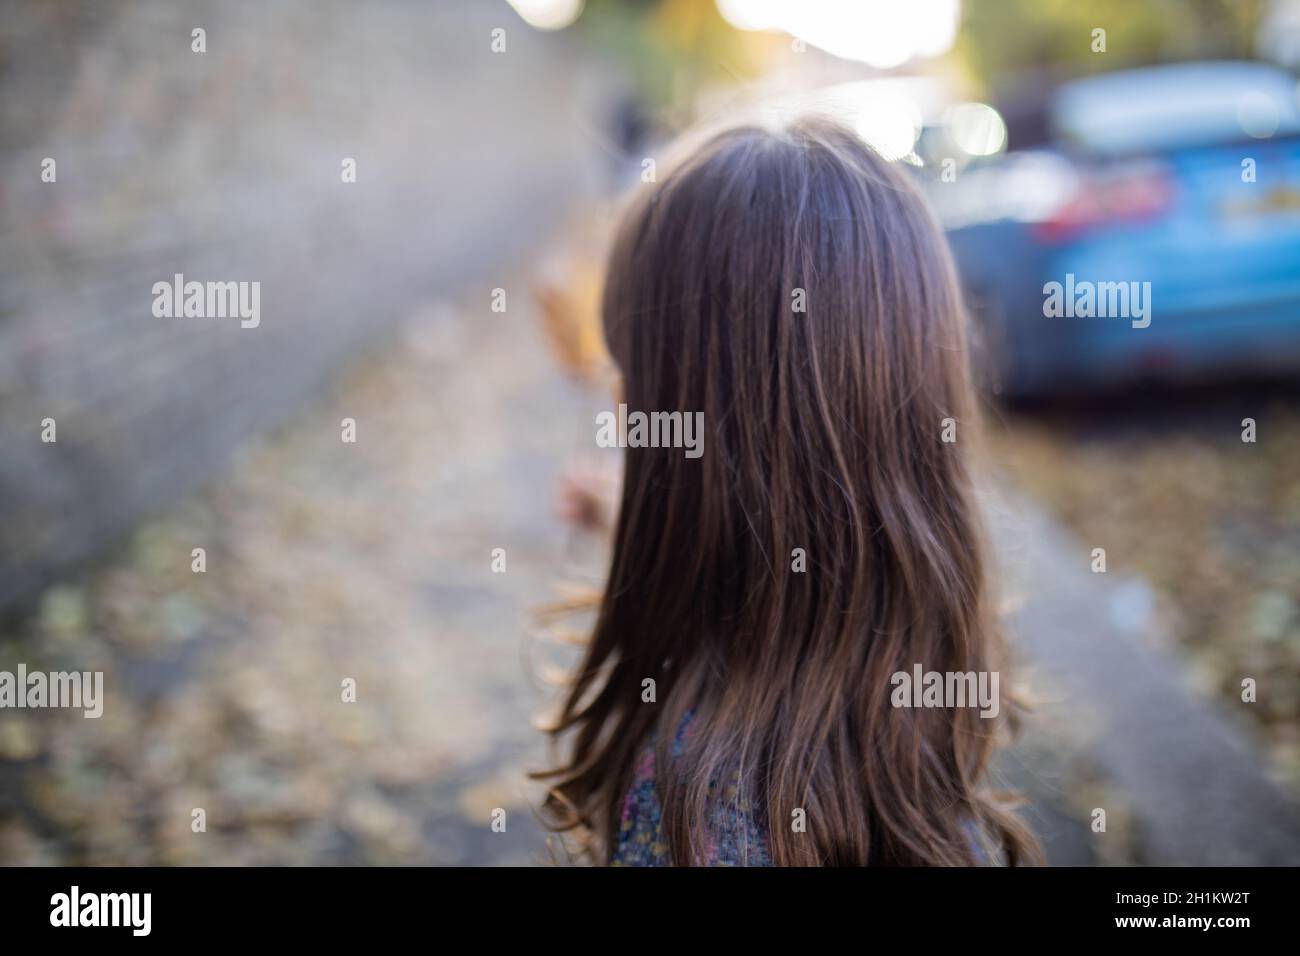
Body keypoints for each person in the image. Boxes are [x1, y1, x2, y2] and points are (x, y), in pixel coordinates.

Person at [535, 116, 1039, 866]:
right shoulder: (909, 698)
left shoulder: (685, 815)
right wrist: (639, 531)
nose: (618, 408)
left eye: (628, 375)